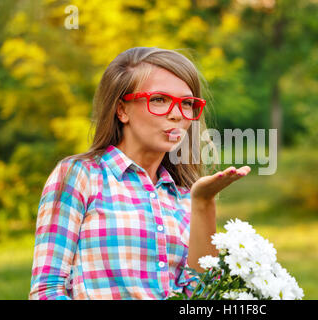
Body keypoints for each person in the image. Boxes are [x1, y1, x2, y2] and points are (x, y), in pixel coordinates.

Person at [29, 47, 250, 299]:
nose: (177, 114)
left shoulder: (184, 195)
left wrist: (203, 203)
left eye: (187, 103)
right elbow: (46, 291)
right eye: (159, 100)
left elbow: (202, 297)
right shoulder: (79, 176)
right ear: (122, 110)